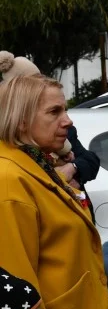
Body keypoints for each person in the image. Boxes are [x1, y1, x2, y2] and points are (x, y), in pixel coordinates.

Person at [1, 74, 108, 309]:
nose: (68, 121)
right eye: (55, 111)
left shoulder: (36, 165)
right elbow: (19, 294)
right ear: (21, 119)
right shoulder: (9, 179)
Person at [0, 51, 100, 200]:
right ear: (21, 116)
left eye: (64, 110)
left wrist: (71, 168)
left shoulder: (63, 135)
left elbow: (91, 161)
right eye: (54, 111)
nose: (68, 121)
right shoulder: (10, 176)